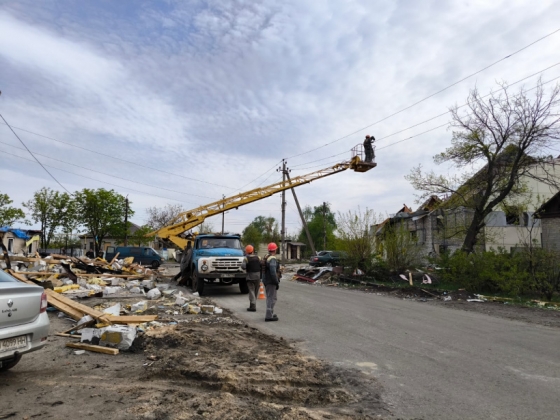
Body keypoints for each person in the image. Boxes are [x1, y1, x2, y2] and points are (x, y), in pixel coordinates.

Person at [262, 242, 281, 322]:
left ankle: (270, 313)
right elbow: (273, 272)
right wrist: (276, 282)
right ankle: (269, 316)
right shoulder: (272, 259)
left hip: (266, 280)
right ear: (275, 250)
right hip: (271, 281)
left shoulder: (266, 257)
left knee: (271, 297)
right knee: (271, 298)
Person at [241, 245, 261, 312]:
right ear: (253, 250)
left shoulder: (246, 258)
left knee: (251, 291)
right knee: (255, 291)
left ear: (246, 251)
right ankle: (252, 306)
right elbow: (261, 265)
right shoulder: (258, 257)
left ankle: (253, 305)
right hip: (258, 276)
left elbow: (243, 267)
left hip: (250, 277)